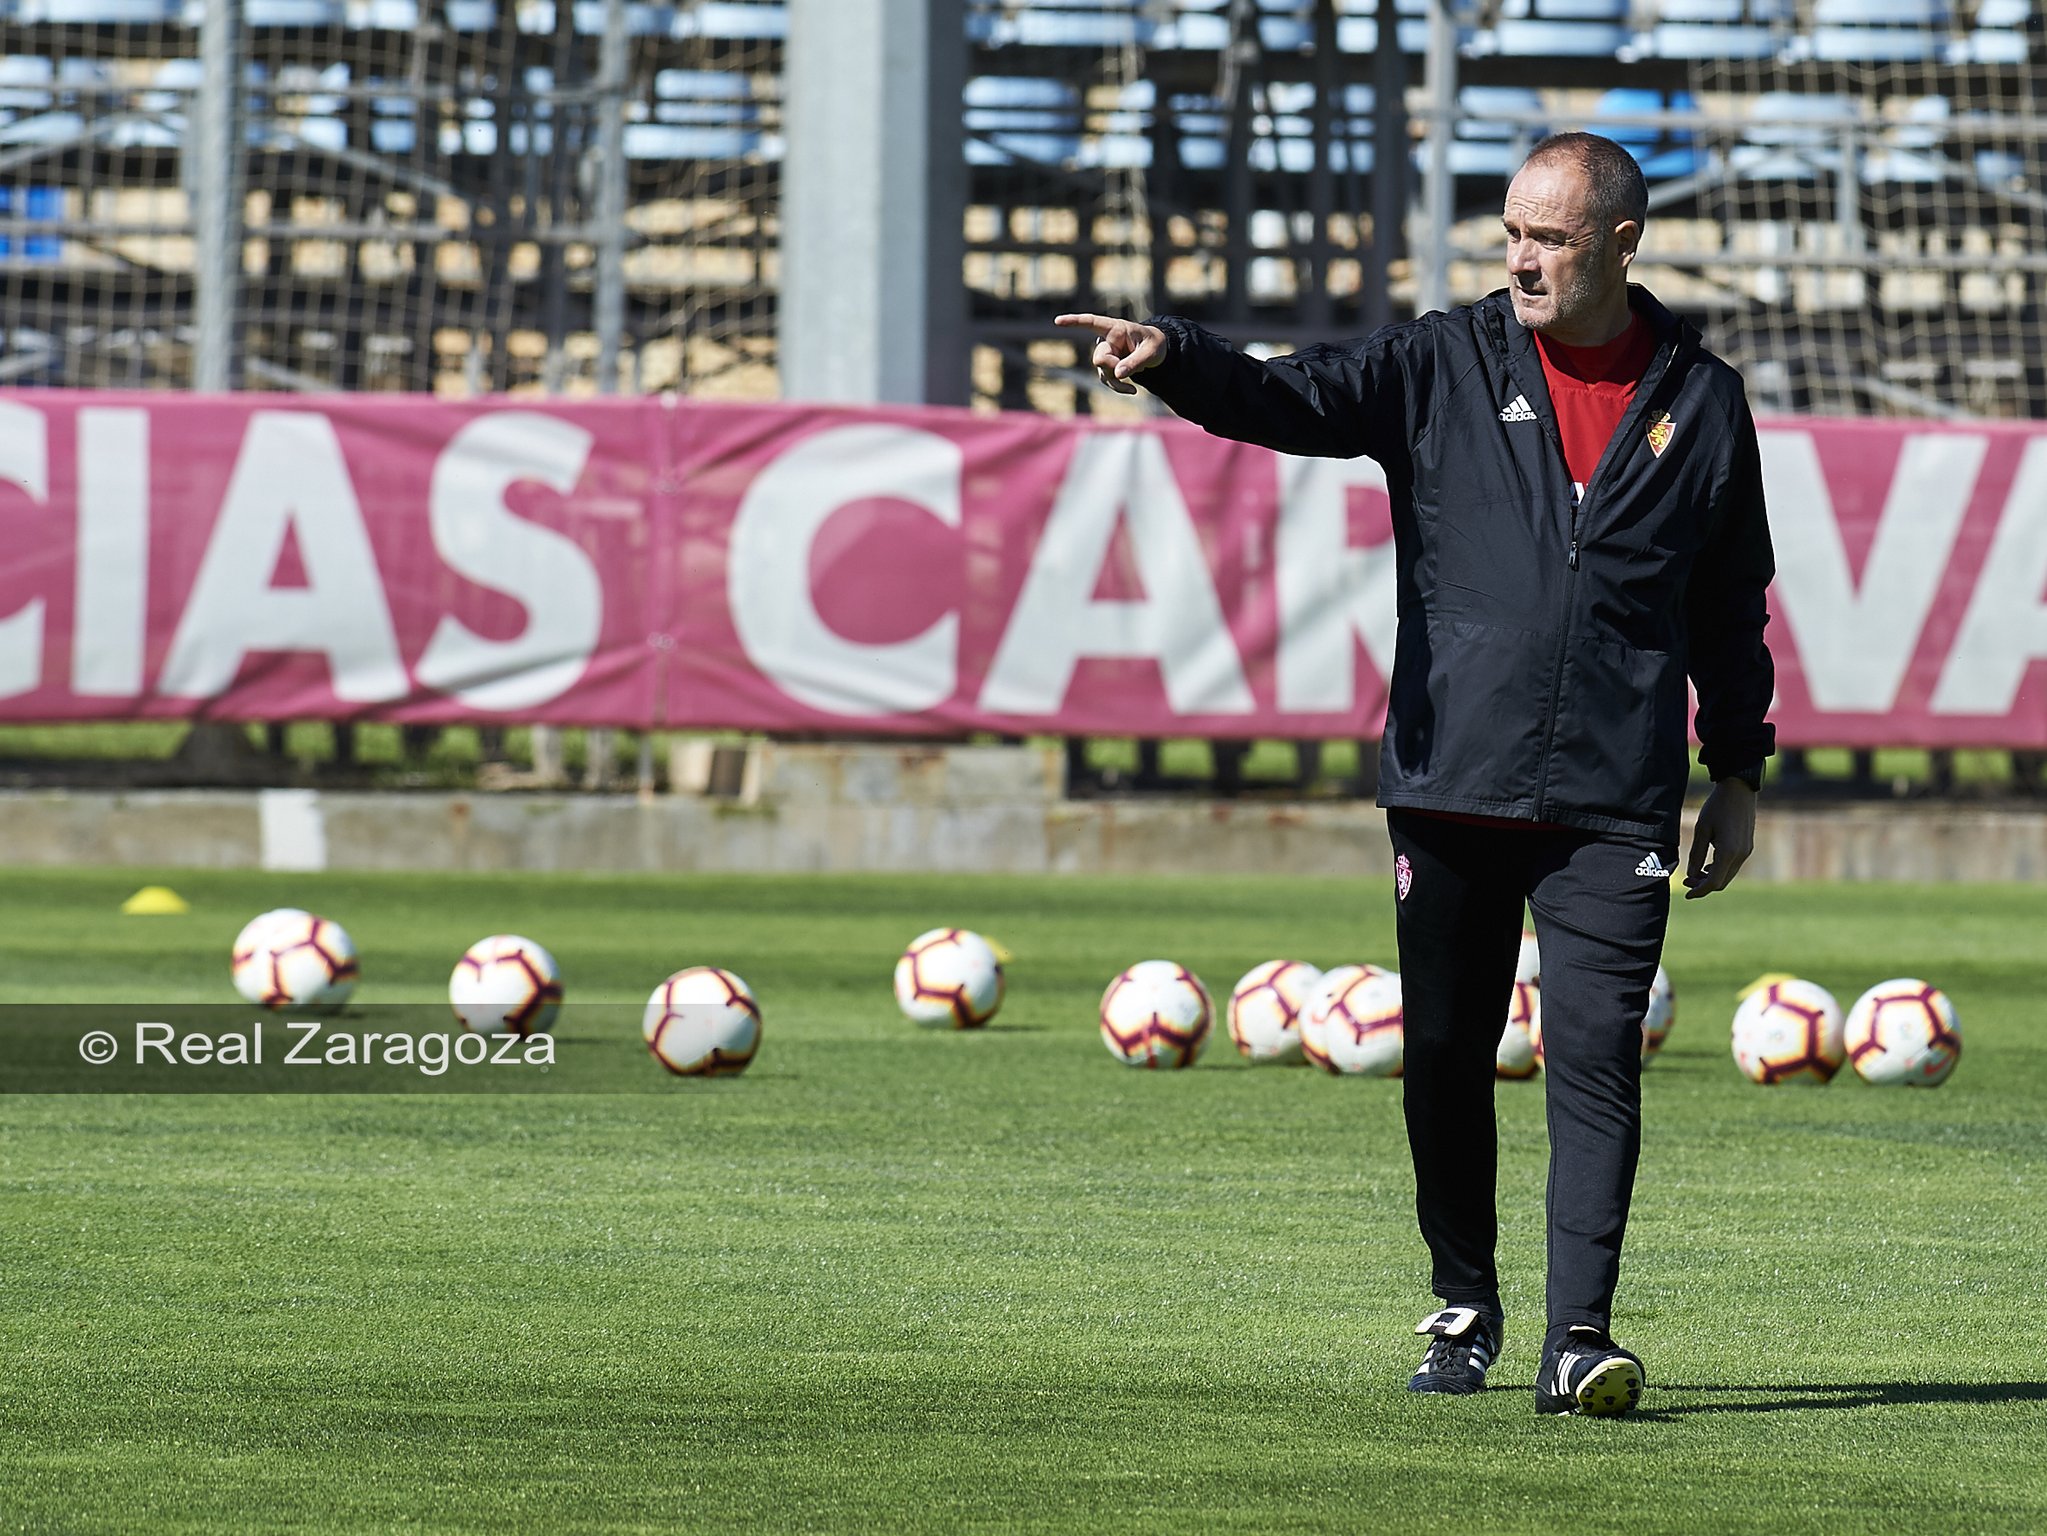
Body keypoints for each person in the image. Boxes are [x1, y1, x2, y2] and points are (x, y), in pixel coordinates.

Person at [1057, 132, 1775, 1418]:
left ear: (1620, 243)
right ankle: (1464, 1298)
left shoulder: (1703, 401)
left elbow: (1731, 605)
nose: (1521, 256)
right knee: (1443, 1047)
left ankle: (1578, 1338)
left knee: (1597, 1055)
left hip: (1615, 794)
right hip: (1450, 774)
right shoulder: (1445, 359)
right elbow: (1298, 397)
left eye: (1550, 237)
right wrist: (1180, 357)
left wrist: (1736, 770)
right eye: (1511, 230)